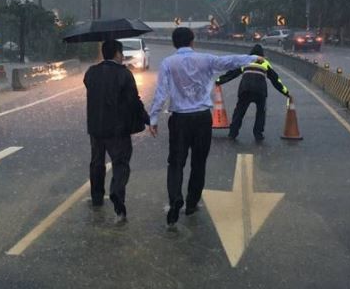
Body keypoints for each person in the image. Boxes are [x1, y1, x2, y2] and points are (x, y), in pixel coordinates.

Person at [149, 27, 261, 228]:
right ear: (192, 41)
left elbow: (161, 92)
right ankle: (191, 204)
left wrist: (154, 118)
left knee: (176, 163)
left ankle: (175, 198)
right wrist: (251, 58)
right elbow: (228, 62)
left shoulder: (168, 63)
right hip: (202, 118)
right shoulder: (206, 59)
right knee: (198, 163)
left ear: (175, 43)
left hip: (179, 120)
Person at [84, 40, 150, 223]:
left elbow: (90, 87)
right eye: (121, 53)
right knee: (120, 164)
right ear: (117, 54)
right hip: (118, 129)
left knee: (97, 162)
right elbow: (134, 101)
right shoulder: (124, 74)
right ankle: (116, 194)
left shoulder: (91, 72)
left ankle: (97, 198)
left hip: (96, 127)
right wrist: (147, 118)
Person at [216, 44, 291, 141]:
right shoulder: (265, 63)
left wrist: (219, 81)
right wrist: (286, 92)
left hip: (245, 89)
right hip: (260, 91)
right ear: (262, 54)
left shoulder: (246, 62)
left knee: (239, 111)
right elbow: (275, 80)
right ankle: (258, 134)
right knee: (261, 112)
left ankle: (232, 133)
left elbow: (231, 74)